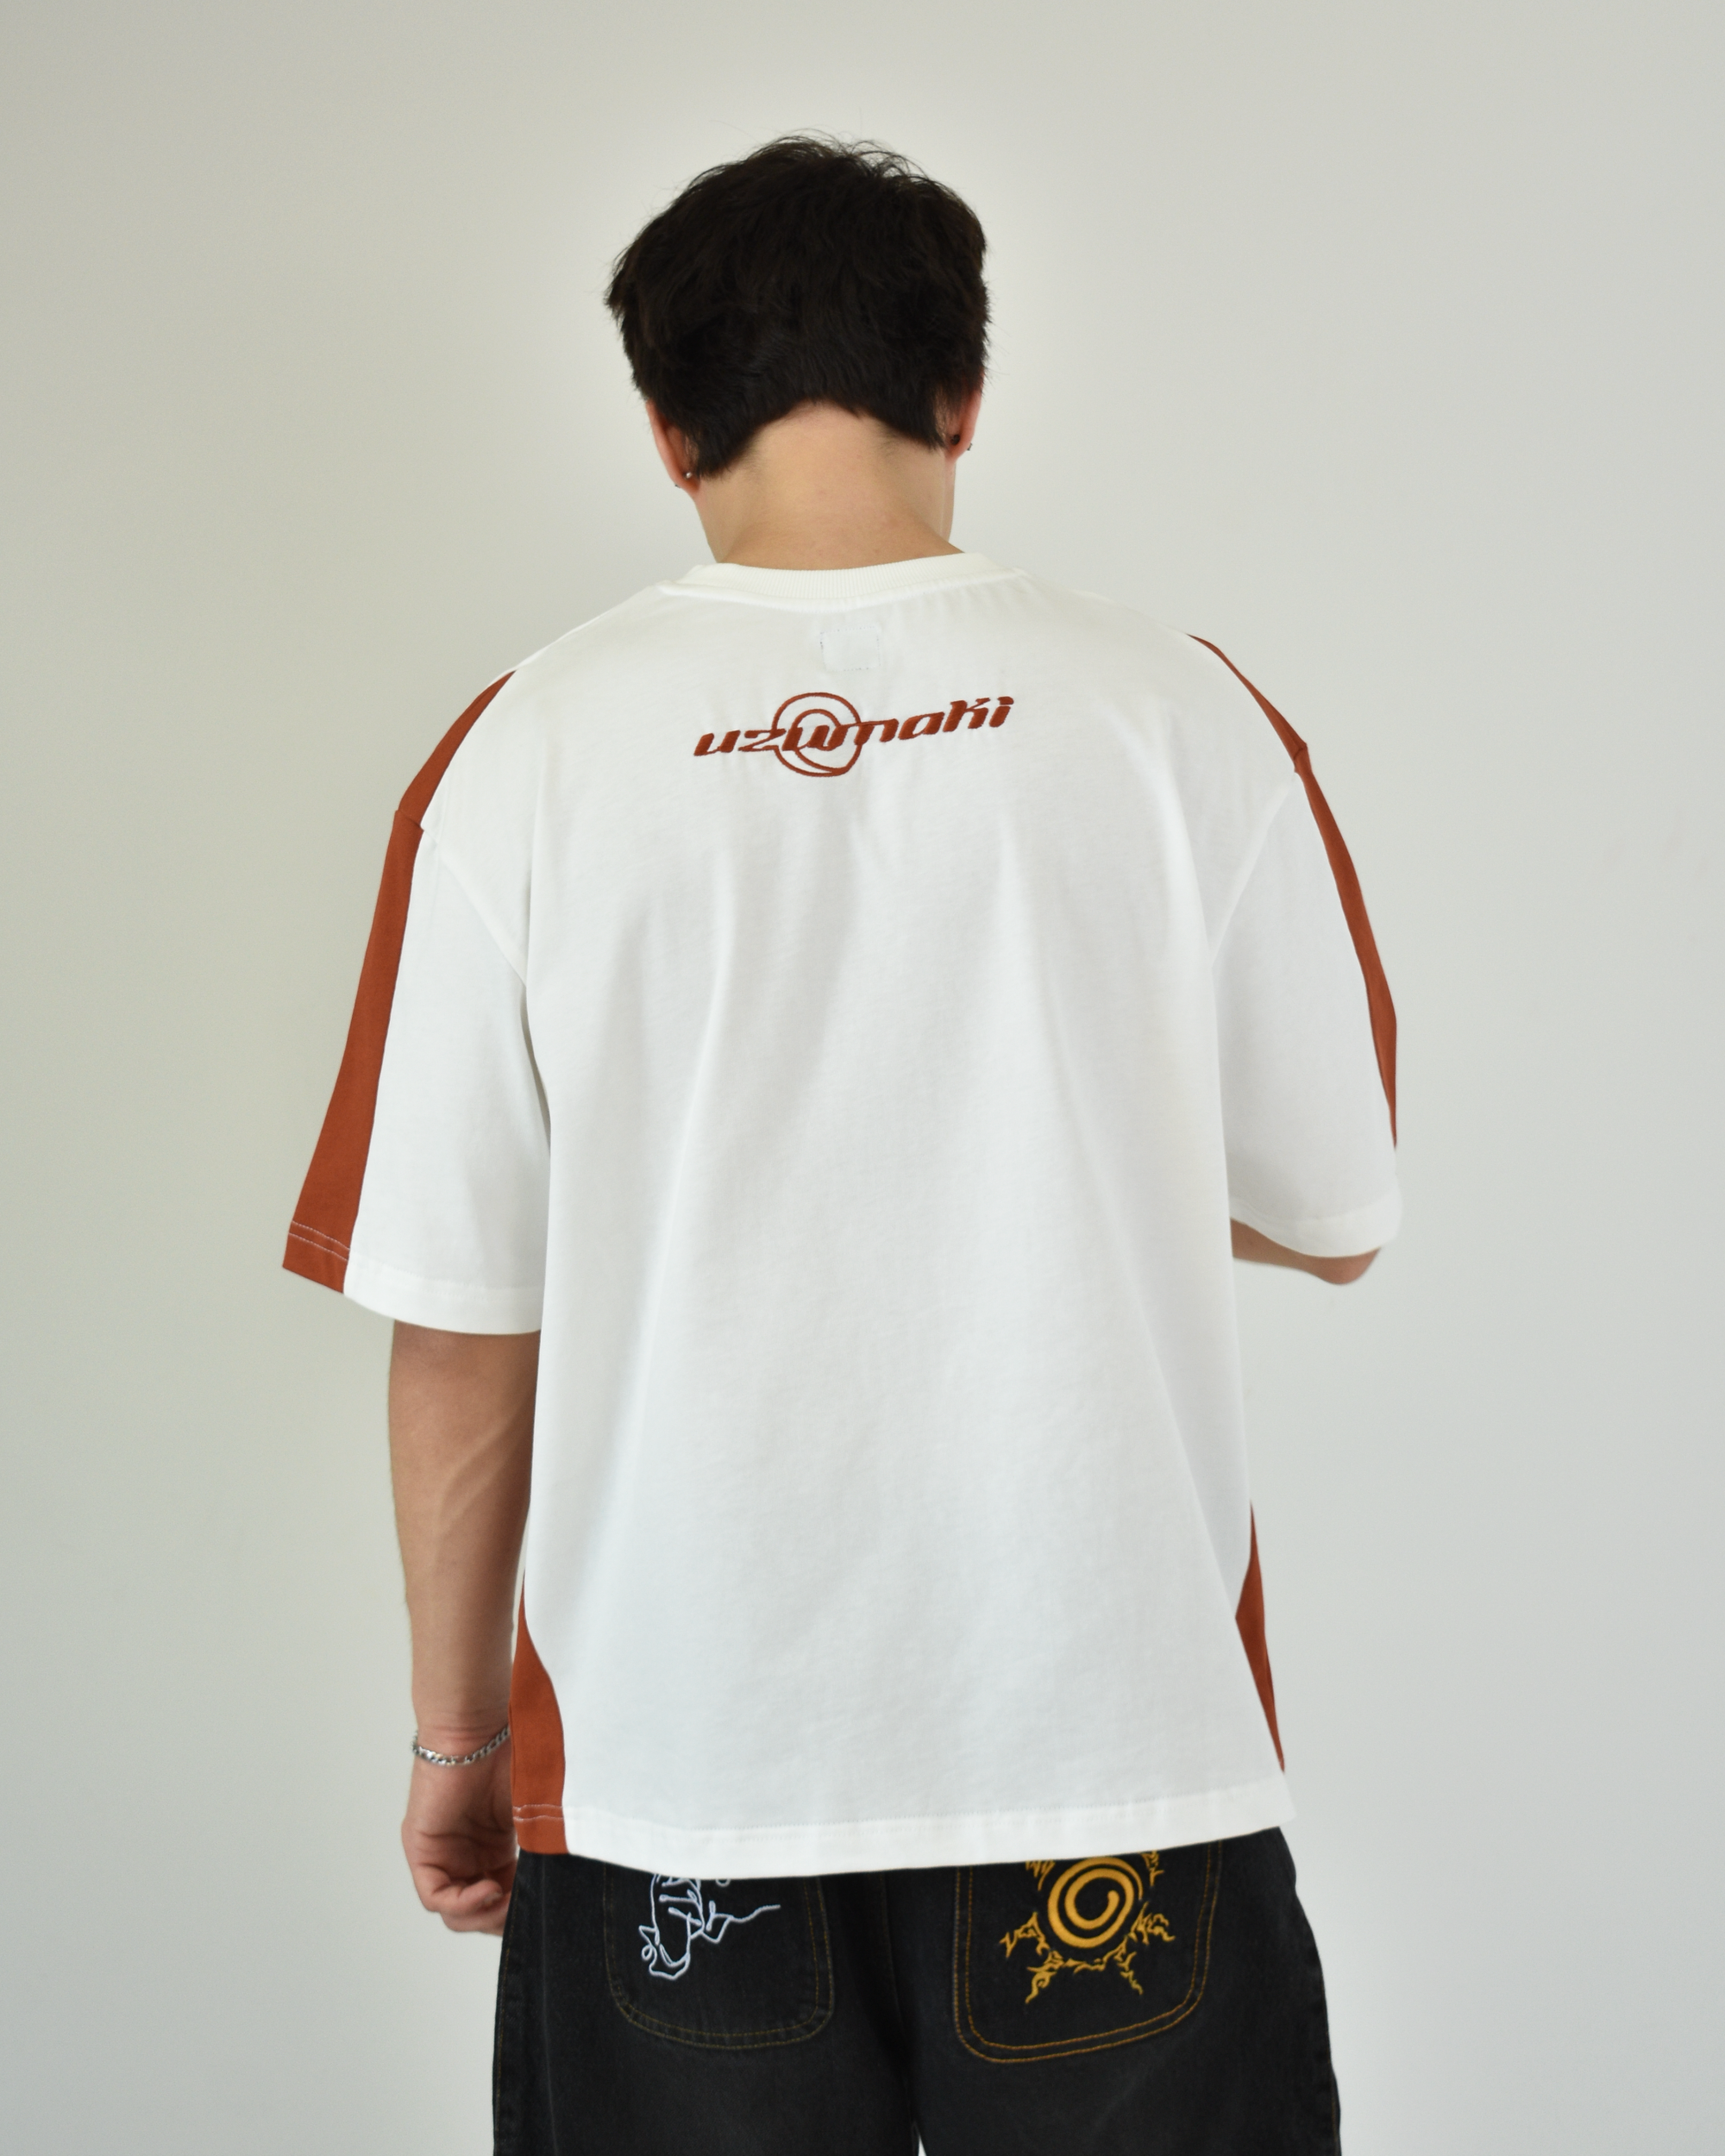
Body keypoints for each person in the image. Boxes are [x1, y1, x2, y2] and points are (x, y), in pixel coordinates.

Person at [284, 135, 1399, 2155]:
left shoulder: (523, 751)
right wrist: (1052, 1135)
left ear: (663, 427)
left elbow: (461, 1316)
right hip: (1109, 1756)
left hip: (678, 1773)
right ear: (961, 391)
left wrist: (457, 1740)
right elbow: (1332, 1212)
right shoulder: (1179, 716)